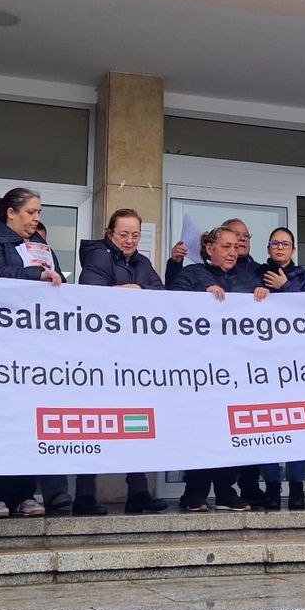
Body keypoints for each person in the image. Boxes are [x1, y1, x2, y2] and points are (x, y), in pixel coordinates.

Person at [0, 188, 72, 517]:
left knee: (29, 420)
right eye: (31, 212)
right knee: (0, 420)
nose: (36, 218)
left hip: (35, 346)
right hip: (1, 344)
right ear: (10, 213)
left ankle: (23, 494)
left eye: (39, 212)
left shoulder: (40, 245)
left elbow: (58, 283)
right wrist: (34, 275)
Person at [169, 225, 267, 510]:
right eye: (226, 247)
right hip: (201, 369)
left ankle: (226, 491)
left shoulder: (248, 278)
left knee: (230, 432)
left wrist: (263, 295)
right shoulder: (191, 275)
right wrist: (200, 296)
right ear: (209, 249)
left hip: (237, 370)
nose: (232, 253)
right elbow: (171, 307)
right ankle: (194, 492)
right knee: (202, 430)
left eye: (236, 247)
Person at [76, 209, 167, 514]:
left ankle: (138, 490)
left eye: (135, 235)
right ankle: (85, 495)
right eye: (123, 234)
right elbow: (88, 293)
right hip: (99, 355)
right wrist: (121, 292)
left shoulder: (141, 262)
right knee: (92, 422)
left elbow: (162, 293)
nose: (129, 241)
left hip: (133, 356)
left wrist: (139, 290)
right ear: (110, 232)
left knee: (136, 421)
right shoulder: (99, 257)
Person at [252, 227, 305, 510]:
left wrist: (285, 288)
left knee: (298, 427)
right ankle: (272, 486)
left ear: (293, 249)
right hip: (263, 363)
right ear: (268, 248)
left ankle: (296, 488)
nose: (280, 248)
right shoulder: (254, 273)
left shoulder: (304, 277)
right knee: (268, 424)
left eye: (285, 244)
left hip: (297, 364)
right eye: (275, 243)